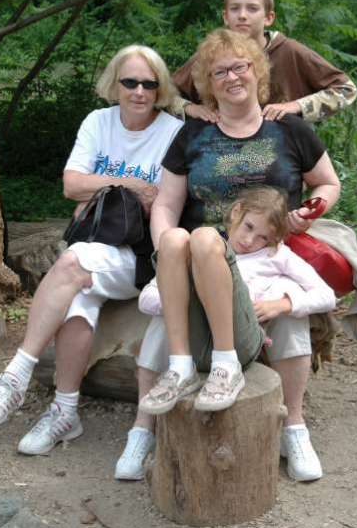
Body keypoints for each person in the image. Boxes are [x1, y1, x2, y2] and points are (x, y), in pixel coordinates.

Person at [0, 44, 183, 480]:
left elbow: (162, 201)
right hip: (96, 245)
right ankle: (65, 410)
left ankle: (15, 376)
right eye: (130, 82)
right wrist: (128, 184)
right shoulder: (97, 122)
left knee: (72, 263)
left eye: (149, 83)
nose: (139, 91)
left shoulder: (173, 132)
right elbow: (71, 184)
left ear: (160, 89)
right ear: (114, 85)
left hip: (141, 256)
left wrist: (103, 190)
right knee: (78, 300)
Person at [138, 27, 341, 481]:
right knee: (162, 313)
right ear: (209, 85)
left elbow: (328, 182)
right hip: (201, 255)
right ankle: (143, 430)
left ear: (257, 71)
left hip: (266, 258)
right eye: (220, 72)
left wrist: (308, 212)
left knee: (288, 316)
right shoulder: (193, 135)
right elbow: (167, 206)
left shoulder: (289, 129)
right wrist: (168, 252)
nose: (232, 77)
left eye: (240, 67)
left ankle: (294, 426)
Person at [138, 186, 335, 416]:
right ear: (236, 212)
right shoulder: (200, 252)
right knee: (173, 237)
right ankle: (173, 379)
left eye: (264, 237)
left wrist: (282, 304)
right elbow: (146, 299)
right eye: (249, 226)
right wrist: (189, 298)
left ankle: (231, 370)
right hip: (194, 339)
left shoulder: (275, 255)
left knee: (203, 236)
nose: (250, 240)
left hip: (238, 340)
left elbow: (327, 295)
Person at [173, 0, 357, 123]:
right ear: (225, 16)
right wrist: (190, 109)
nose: (242, 15)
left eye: (252, 9)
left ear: (268, 17)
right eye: (235, 8)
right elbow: (163, 95)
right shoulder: (210, 56)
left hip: (285, 150)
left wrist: (295, 106)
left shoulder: (290, 52)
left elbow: (346, 89)